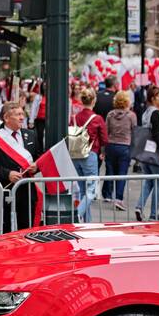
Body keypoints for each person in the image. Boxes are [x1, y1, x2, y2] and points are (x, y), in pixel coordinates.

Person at [0, 101, 39, 232]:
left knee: (26, 232)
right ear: (6, 118)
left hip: (27, 191)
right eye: (18, 114)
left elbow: (38, 158)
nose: (22, 117)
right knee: (4, 232)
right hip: (5, 190)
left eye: (22, 114)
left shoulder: (31, 135)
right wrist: (7, 174)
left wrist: (36, 167)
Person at [71, 86, 107, 222]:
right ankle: (77, 214)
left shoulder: (75, 117)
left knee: (82, 190)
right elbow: (104, 138)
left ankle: (87, 222)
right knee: (91, 189)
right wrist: (103, 152)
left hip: (75, 154)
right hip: (90, 154)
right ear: (94, 101)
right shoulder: (97, 118)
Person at [134, 86, 159, 221]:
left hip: (145, 153)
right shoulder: (156, 113)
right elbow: (156, 134)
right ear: (153, 98)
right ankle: (154, 214)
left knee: (149, 181)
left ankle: (139, 206)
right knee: (158, 184)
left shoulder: (146, 112)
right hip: (155, 153)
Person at [102, 89, 137, 206]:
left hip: (111, 145)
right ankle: (118, 198)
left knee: (110, 171)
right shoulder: (131, 116)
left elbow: (106, 132)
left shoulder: (110, 114)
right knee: (122, 173)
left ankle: (107, 194)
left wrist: (103, 150)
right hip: (125, 146)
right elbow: (135, 131)